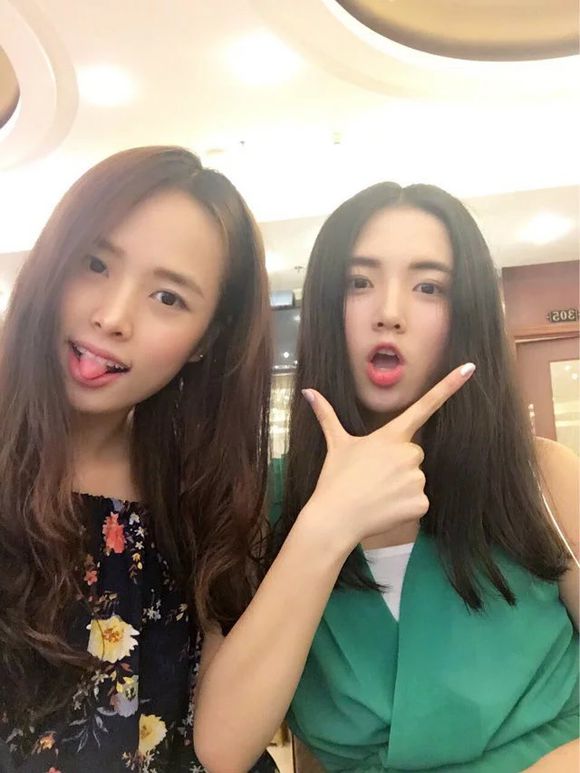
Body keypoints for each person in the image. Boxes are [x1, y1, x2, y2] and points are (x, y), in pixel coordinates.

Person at [193, 183, 579, 772]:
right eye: (359, 282)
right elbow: (224, 748)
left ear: (467, 313)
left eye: (429, 287)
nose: (389, 312)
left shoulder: (543, 479)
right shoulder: (262, 505)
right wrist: (327, 526)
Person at [0, 146, 276, 772]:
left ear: (207, 340)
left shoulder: (200, 496)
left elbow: (224, 744)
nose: (112, 317)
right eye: (95, 264)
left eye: (168, 298)